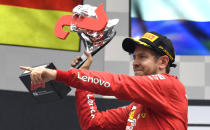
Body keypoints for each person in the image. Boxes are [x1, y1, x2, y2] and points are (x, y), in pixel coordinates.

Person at [20, 32, 188, 130]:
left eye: (143, 57)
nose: (135, 62)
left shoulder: (170, 85)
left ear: (163, 62)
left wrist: (57, 74)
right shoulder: (136, 107)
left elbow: (118, 84)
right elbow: (92, 123)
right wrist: (83, 74)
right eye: (134, 56)